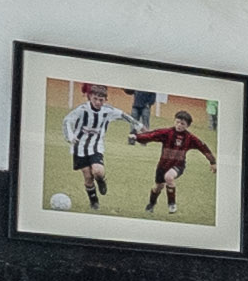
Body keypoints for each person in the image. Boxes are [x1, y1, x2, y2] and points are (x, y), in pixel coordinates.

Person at [129, 94, 215, 214]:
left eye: (183, 124)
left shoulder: (190, 138)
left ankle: (172, 204)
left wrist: (212, 162)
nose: (179, 125)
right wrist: (137, 137)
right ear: (174, 121)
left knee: (169, 177)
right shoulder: (167, 132)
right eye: (178, 122)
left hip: (178, 165)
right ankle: (151, 204)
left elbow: (203, 147)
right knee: (158, 187)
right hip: (162, 165)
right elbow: (152, 135)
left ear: (187, 126)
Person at [62, 78, 120, 209]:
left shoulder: (107, 111)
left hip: (96, 146)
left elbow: (124, 116)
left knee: (98, 171)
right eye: (95, 99)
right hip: (79, 147)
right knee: (88, 177)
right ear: (90, 97)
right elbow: (67, 121)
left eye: (101, 100)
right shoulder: (82, 110)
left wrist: (139, 126)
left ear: (105, 99)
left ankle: (101, 181)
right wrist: (70, 136)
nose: (98, 102)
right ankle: (94, 201)